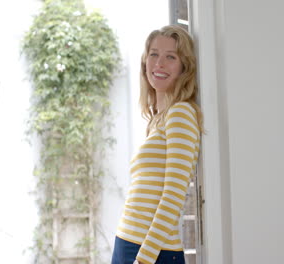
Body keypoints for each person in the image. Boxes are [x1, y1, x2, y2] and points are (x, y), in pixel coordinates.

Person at [111, 25, 203, 264]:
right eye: (154, 54)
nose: (159, 63)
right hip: (128, 243)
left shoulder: (181, 113)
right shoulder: (157, 120)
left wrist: (144, 259)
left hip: (152, 253)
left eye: (170, 57)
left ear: (184, 67)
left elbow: (173, 196)